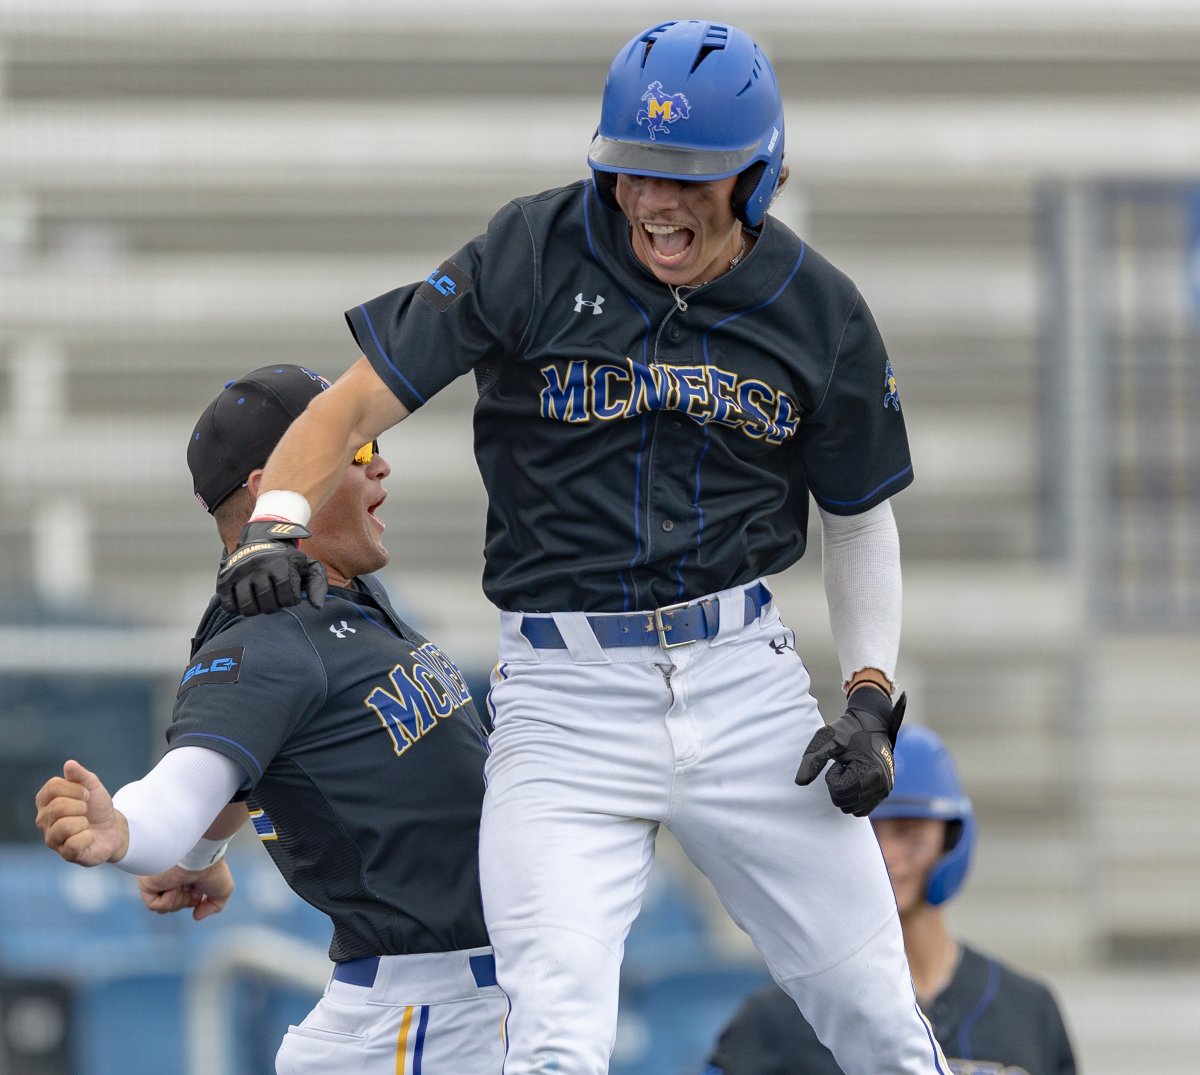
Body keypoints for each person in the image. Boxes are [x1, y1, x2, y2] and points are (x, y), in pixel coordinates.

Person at [209, 20, 945, 1075]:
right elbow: (354, 399)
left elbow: (860, 515)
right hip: (566, 696)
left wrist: (870, 692)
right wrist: (276, 517)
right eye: (632, 169)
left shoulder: (818, 309)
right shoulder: (534, 249)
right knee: (552, 1040)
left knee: (878, 1020)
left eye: (688, 176)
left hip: (745, 682)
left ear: (759, 175)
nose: (653, 199)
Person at [34, 364, 506, 1075]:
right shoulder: (264, 638)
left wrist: (196, 858)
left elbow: (266, 762)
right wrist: (127, 828)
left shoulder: (349, 593)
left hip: (467, 1007)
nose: (382, 468)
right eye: (357, 451)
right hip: (419, 1028)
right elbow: (192, 777)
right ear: (277, 486)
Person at [705, 724, 1078, 1075]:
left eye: (908, 832)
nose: (885, 855)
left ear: (951, 839)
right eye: (864, 833)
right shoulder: (780, 1018)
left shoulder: (1028, 1010)